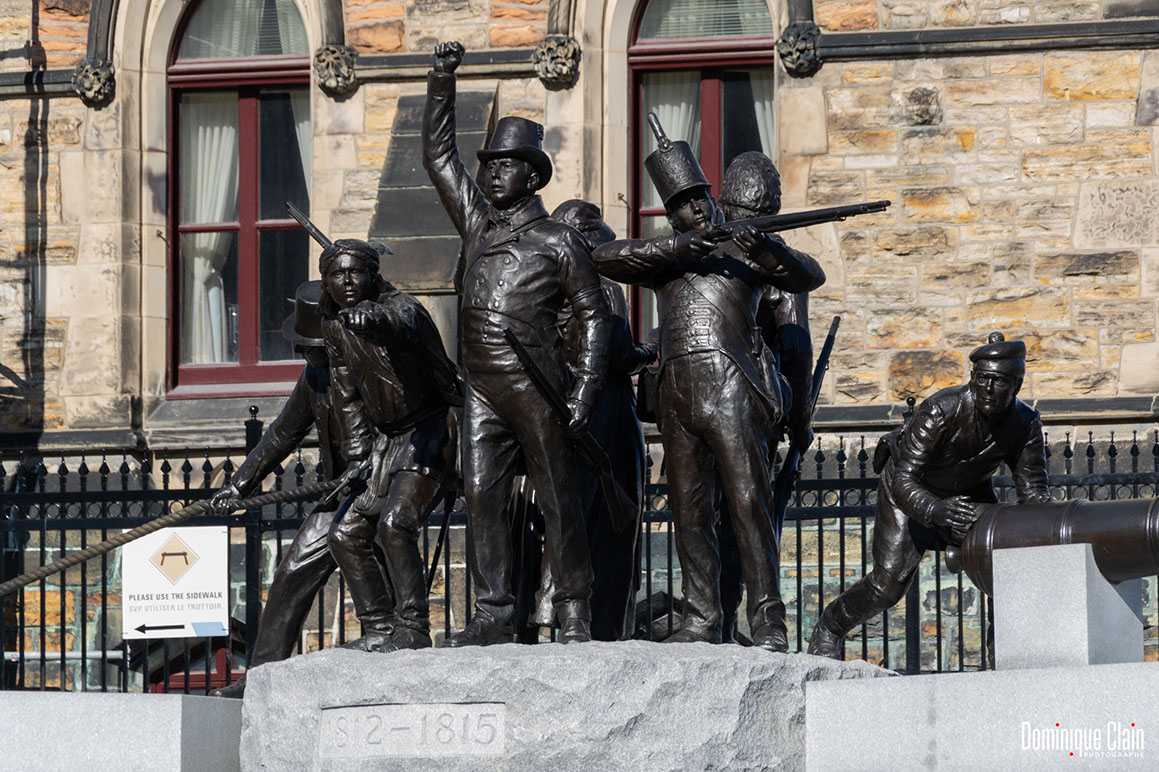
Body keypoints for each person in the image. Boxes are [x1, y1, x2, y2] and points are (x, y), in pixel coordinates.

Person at [592, 121, 825, 651]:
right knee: (690, 510)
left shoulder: (743, 249)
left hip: (733, 388)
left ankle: (768, 621)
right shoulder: (668, 260)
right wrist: (676, 249)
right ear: (670, 214)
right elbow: (603, 257)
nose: (696, 210)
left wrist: (765, 249)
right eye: (683, 205)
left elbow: (808, 275)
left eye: (700, 199)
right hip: (677, 395)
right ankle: (700, 616)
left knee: (747, 503)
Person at [423, 41, 610, 645]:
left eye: (504, 165)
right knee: (482, 497)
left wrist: (584, 392)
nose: (490, 173)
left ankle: (574, 606)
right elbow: (438, 157)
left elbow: (594, 317)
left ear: (532, 175)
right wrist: (442, 79)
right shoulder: (477, 225)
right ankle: (493, 613)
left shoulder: (559, 240)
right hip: (481, 387)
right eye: (489, 165)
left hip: (537, 385)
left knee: (557, 497)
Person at [808, 333, 1050, 659]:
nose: (988, 389)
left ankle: (1003, 655)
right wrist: (934, 509)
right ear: (972, 379)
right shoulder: (940, 409)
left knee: (1004, 565)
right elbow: (904, 478)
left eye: (999, 382)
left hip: (966, 498)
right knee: (886, 587)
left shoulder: (1026, 423)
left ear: (1017, 386)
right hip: (911, 492)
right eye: (982, 379)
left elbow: (1033, 494)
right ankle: (830, 626)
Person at [207, 281, 348, 698]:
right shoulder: (313, 377)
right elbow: (282, 435)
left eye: (310, 347)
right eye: (302, 347)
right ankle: (260, 679)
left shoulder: (366, 368)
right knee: (290, 573)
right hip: (339, 496)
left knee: (378, 573)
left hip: (378, 490)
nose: (304, 354)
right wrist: (239, 486)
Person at [320, 238, 461, 653]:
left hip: (429, 431)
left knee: (395, 524)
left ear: (373, 274)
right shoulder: (335, 327)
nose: (347, 281)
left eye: (355, 272)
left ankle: (413, 627)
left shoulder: (403, 307)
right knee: (345, 534)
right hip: (385, 441)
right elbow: (346, 395)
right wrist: (357, 454)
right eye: (337, 274)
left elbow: (400, 324)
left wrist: (373, 318)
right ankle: (380, 626)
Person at [715, 151, 817, 643]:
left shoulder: (705, 252)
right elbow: (795, 347)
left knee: (708, 515)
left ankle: (714, 617)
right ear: (773, 207)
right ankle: (755, 619)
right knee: (750, 513)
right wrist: (800, 422)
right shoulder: (774, 259)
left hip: (693, 402)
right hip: (753, 406)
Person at [551, 199, 656, 640]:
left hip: (562, 407)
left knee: (571, 517)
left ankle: (562, 618)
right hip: (607, 408)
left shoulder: (544, 290)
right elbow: (622, 355)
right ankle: (608, 624)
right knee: (614, 524)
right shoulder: (603, 289)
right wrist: (654, 347)